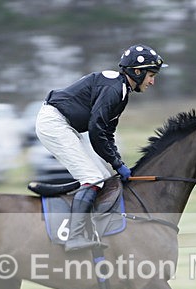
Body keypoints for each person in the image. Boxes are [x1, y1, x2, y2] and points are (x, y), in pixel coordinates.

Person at [36, 44, 167, 252]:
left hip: (65, 125)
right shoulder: (115, 90)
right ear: (137, 72)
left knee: (104, 176)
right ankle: (75, 236)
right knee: (93, 178)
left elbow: (106, 133)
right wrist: (117, 163)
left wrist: (118, 164)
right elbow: (96, 132)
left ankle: (94, 227)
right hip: (54, 123)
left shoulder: (121, 91)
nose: (152, 81)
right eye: (151, 75)